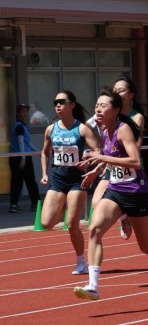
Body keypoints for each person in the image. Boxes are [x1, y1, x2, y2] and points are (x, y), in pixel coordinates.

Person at [73, 90, 148, 301]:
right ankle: (93, 286)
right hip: (116, 190)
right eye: (97, 105)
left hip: (136, 191)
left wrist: (101, 157)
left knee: (146, 247)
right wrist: (96, 170)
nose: (98, 109)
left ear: (116, 110)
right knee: (94, 229)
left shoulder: (123, 130)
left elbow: (135, 161)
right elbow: (109, 156)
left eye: (103, 106)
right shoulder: (105, 131)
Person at [39, 91, 101, 275]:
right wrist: (44, 173)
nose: (58, 105)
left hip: (76, 180)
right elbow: (44, 153)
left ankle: (81, 261)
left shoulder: (81, 129)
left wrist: (89, 160)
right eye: (55, 102)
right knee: (46, 223)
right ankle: (64, 205)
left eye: (62, 102)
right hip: (58, 180)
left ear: (72, 105)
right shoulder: (51, 129)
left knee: (72, 224)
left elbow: (98, 150)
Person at [94, 77, 145, 242]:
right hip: (112, 166)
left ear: (131, 95)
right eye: (115, 90)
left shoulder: (136, 117)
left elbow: (136, 148)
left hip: (130, 171)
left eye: (121, 90)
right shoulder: (106, 113)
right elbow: (104, 143)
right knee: (96, 202)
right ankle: (123, 217)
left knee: (145, 240)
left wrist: (110, 155)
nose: (117, 92)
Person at [9, 103, 40, 213]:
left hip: (15, 157)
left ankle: (13, 205)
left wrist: (38, 151)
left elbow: (27, 143)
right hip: (22, 158)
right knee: (30, 181)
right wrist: (23, 158)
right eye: (22, 111)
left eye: (26, 111)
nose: (25, 113)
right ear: (17, 113)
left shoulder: (21, 125)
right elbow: (21, 143)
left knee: (16, 182)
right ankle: (36, 204)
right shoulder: (19, 126)